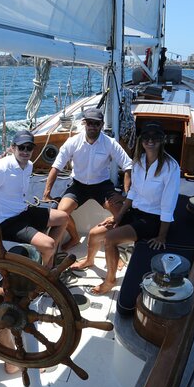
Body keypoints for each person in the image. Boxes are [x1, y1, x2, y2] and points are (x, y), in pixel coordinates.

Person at [74, 122, 180, 295]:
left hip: (152, 220)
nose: (150, 140)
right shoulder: (138, 162)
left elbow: (168, 205)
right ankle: (89, 261)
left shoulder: (170, 167)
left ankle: (110, 280)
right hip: (135, 213)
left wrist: (162, 236)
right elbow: (132, 194)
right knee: (94, 234)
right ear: (141, 140)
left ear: (162, 140)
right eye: (146, 137)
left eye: (155, 137)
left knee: (110, 239)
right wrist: (118, 217)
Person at [0, 130, 68, 267]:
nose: (25, 151)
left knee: (64, 217)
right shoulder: (1, 169)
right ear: (13, 148)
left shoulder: (29, 165)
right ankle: (44, 272)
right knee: (49, 244)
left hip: (23, 211)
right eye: (21, 147)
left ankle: (48, 258)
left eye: (29, 148)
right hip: (7, 222)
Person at [41, 107, 132, 250]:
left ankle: (114, 246)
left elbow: (128, 166)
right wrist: (47, 194)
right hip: (78, 186)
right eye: (89, 123)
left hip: (102, 186)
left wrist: (125, 196)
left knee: (120, 212)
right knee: (61, 212)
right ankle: (74, 238)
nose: (93, 126)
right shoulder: (73, 142)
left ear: (102, 125)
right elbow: (56, 167)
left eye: (96, 123)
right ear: (84, 123)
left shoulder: (110, 143)